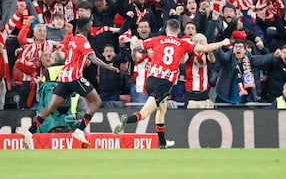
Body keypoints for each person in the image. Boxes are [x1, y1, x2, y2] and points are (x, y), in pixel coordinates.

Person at [113, 19, 230, 149]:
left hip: (151, 79)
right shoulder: (182, 43)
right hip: (164, 82)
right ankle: (126, 120)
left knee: (162, 109)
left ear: (167, 30)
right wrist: (222, 42)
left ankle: (162, 143)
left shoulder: (157, 39)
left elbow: (137, 46)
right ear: (179, 31)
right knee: (144, 114)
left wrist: (133, 40)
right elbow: (205, 48)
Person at [21, 18, 120, 149]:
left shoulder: (73, 39)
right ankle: (79, 131)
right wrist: (107, 66)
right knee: (97, 101)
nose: (91, 26)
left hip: (63, 77)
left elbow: (77, 57)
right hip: (74, 77)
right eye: (90, 25)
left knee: (51, 107)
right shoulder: (82, 40)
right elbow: (92, 57)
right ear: (86, 27)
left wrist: (84, 62)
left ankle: (29, 132)